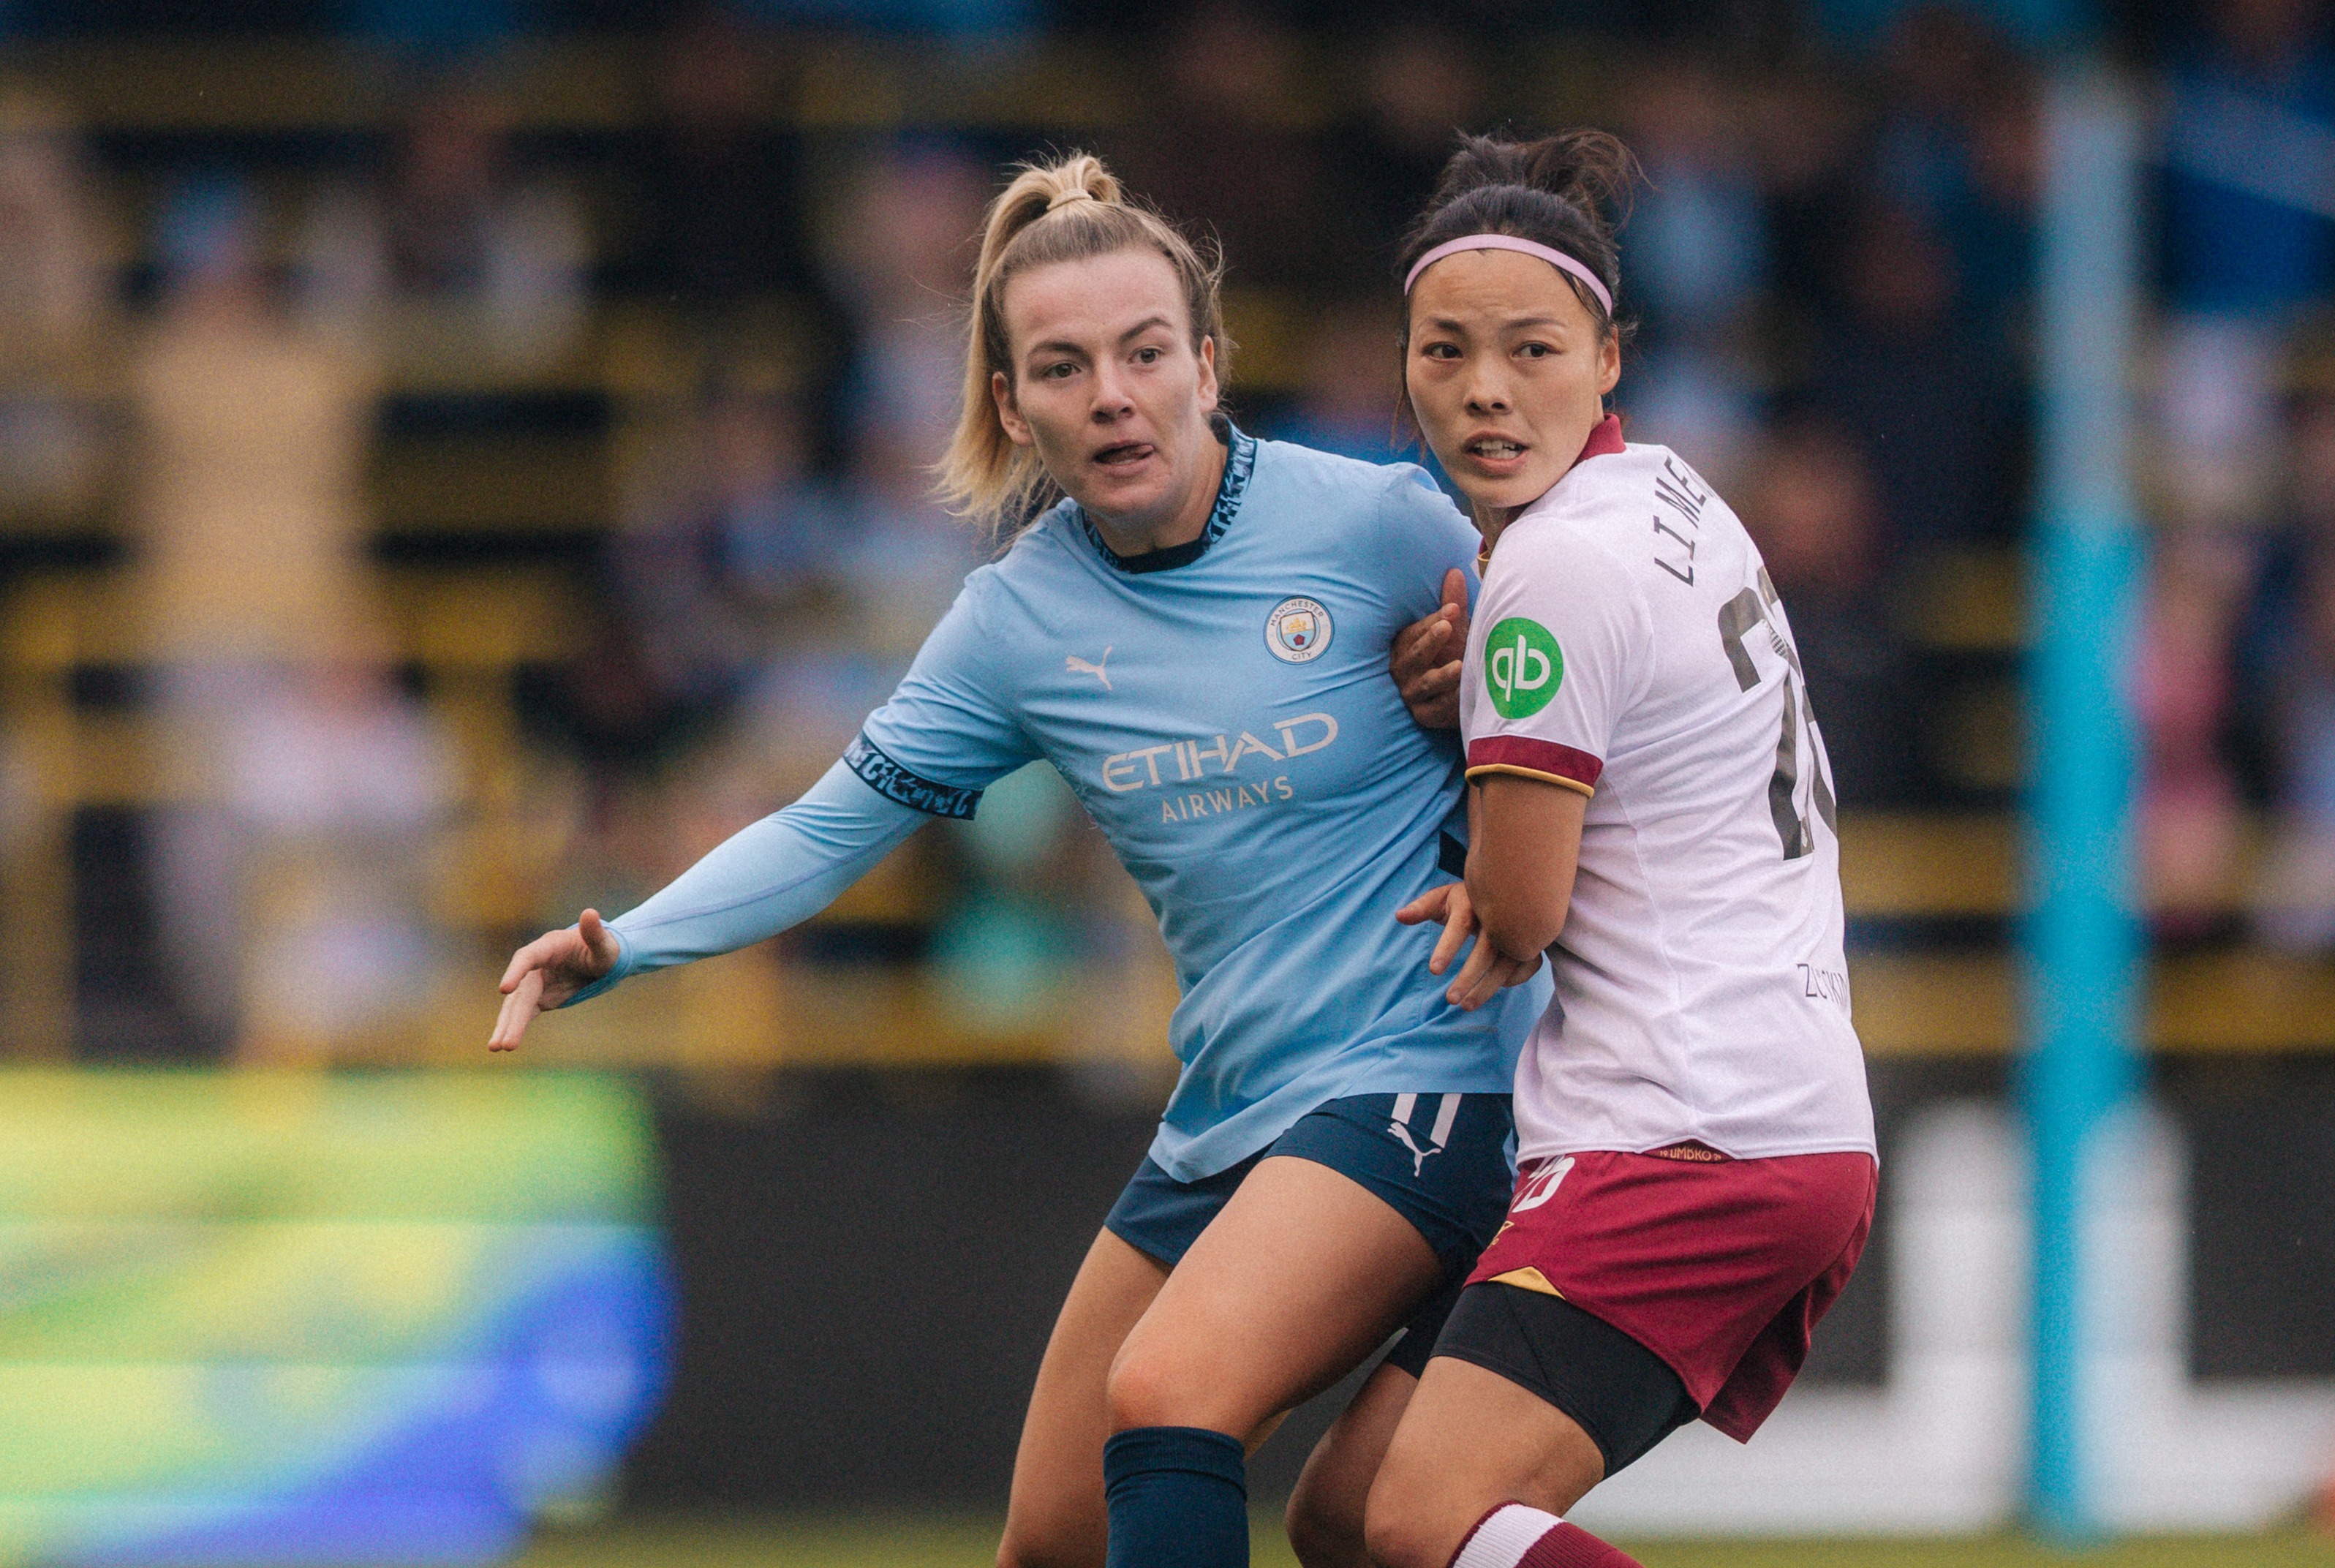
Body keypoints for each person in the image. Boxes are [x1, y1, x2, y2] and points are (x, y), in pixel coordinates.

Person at [484, 154, 1543, 1568]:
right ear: (1010, 406)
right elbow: (823, 830)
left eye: (1144, 352)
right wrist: (623, 944)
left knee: (1171, 1399)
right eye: (1062, 365)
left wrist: (1482, 708)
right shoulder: (1014, 624)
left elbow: (1584, 692)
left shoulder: (1380, 526)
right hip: (1231, 1107)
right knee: (1048, 1543)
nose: (1110, 393)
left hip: (1430, 1085)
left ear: (1209, 364)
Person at [1362, 132, 1879, 1568]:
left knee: (1417, 1522)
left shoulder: (1548, 572)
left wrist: (1469, 786)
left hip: (1681, 1123)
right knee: (1348, 1517)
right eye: (1445, 351)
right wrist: (1482, 707)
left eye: (1530, 348)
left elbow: (1517, 915)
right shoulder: (1668, 491)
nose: (1482, 389)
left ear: (1606, 355)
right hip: (1779, 1102)